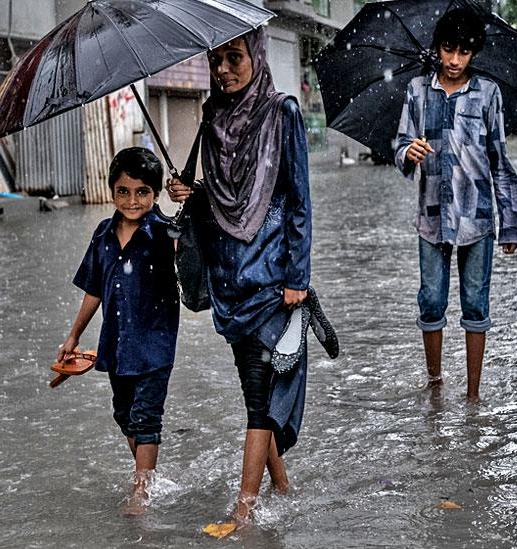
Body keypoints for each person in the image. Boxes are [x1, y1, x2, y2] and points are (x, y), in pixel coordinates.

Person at [167, 28, 313, 524]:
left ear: (257, 56)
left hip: (272, 276)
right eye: (216, 59)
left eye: (235, 57)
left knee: (259, 396)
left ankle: (245, 512)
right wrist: (192, 192)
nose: (224, 69)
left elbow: (298, 203)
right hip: (229, 275)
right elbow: (223, 196)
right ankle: (283, 487)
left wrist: (298, 276)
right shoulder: (213, 117)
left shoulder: (282, 112)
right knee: (254, 390)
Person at [394, 8, 517, 400]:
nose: (454, 60)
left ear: (473, 53)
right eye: (448, 49)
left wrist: (511, 221)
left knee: (475, 303)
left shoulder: (488, 94)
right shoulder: (417, 91)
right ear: (437, 48)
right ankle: (435, 388)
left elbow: (499, 160)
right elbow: (399, 145)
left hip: (477, 219)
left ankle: (472, 395)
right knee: (431, 301)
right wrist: (408, 153)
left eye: (463, 52)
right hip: (432, 217)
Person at [58, 147, 179, 516]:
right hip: (117, 342)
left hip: (155, 343)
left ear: (156, 194)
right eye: (123, 191)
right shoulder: (103, 233)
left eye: (143, 191)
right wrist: (74, 335)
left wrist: (188, 203)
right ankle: (148, 473)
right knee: (123, 414)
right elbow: (94, 288)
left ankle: (142, 489)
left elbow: (193, 259)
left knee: (145, 415)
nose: (132, 200)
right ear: (111, 191)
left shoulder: (165, 233)